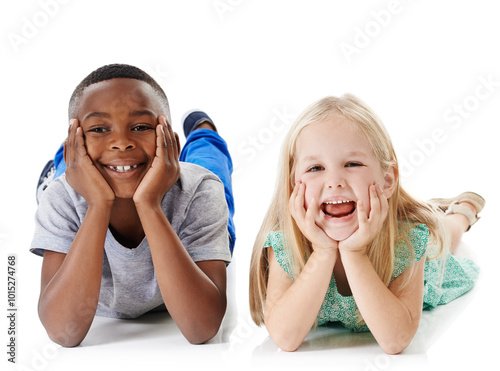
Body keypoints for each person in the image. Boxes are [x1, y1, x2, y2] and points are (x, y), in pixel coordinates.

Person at [248, 94, 484, 354]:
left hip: (414, 250)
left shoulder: (406, 239)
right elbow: (285, 338)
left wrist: (353, 252)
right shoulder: (284, 244)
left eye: (352, 164)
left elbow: (395, 341)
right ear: (294, 185)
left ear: (387, 180)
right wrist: (323, 252)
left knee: (443, 237)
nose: (334, 181)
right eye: (315, 168)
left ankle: (462, 211)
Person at [31, 64, 235, 347]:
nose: (121, 142)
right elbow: (63, 332)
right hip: (91, 177)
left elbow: (202, 329)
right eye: (99, 128)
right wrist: (98, 204)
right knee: (70, 171)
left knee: (210, 160)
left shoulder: (199, 191)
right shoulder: (63, 196)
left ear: (166, 135)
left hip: (177, 187)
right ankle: (62, 159)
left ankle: (203, 130)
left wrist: (149, 204)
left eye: (140, 127)